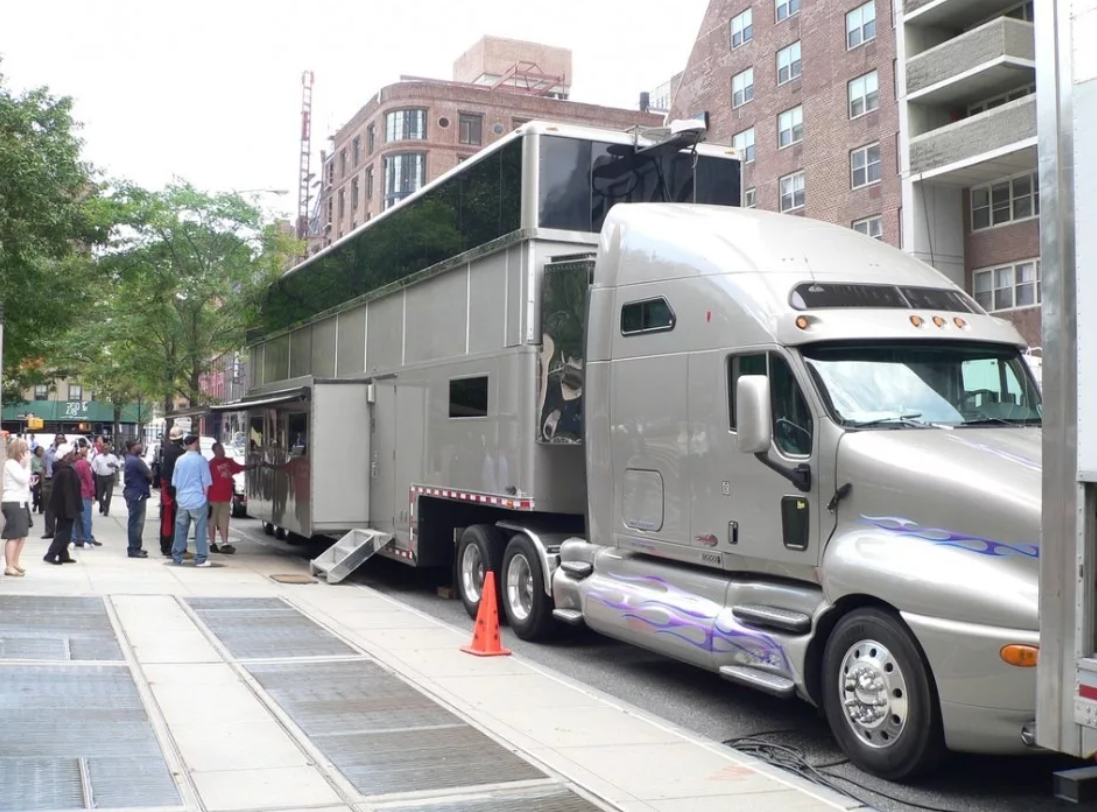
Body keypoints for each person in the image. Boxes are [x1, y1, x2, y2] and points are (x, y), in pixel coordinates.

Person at [171, 435, 212, 567]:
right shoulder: (201, 460)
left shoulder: (179, 460)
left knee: (180, 530)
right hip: (197, 500)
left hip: (182, 500)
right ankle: (201, 558)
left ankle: (177, 557)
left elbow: (175, 482)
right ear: (195, 443)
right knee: (200, 530)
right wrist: (205, 499)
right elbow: (206, 483)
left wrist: (178, 497)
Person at [207, 442, 250, 555]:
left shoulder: (229, 461)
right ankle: (212, 543)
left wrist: (253, 465)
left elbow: (240, 467)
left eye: (222, 448)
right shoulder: (211, 464)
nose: (222, 450)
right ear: (214, 451)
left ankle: (225, 543)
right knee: (212, 521)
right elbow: (206, 481)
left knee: (224, 522)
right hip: (213, 498)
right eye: (219, 449)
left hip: (225, 498)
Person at [43, 443, 79, 565]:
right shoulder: (66, 471)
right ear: (66, 456)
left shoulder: (60, 469)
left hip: (61, 505)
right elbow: (68, 492)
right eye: (71, 454)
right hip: (66, 506)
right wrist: (71, 509)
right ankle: (51, 554)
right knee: (64, 532)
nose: (73, 456)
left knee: (62, 529)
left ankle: (63, 554)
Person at [3, 438, 33, 576]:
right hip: (13, 502)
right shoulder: (11, 464)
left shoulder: (17, 465)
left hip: (21, 501)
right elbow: (22, 479)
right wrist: (27, 466)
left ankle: (15, 562)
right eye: (25, 449)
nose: (28, 452)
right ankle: (9, 566)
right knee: (14, 535)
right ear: (19, 451)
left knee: (22, 534)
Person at [122, 439, 152, 559]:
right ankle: (134, 549)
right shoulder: (136, 461)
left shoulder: (130, 459)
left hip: (133, 492)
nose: (141, 446)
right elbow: (149, 474)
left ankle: (136, 547)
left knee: (136, 522)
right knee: (136, 522)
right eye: (138, 444)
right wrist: (150, 480)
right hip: (137, 493)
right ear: (132, 447)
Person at [159, 427, 186, 557]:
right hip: (175, 487)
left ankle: (165, 545)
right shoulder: (181, 453)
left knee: (166, 517)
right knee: (176, 518)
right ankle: (171, 545)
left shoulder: (165, 450)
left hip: (166, 486)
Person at [72, 441, 99, 548]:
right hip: (84, 493)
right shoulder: (85, 464)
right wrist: (93, 494)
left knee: (74, 519)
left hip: (74, 493)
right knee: (86, 519)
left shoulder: (72, 464)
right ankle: (87, 540)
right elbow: (89, 480)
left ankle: (73, 539)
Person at [41, 433, 65, 537]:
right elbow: (44, 468)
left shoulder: (67, 452)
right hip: (50, 480)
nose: (60, 440)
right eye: (58, 438)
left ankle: (61, 530)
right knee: (49, 507)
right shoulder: (47, 453)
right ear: (55, 440)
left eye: (62, 438)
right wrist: (43, 483)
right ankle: (49, 531)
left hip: (63, 481)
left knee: (62, 507)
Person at [92, 441, 120, 516]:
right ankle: (102, 505)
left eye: (107, 448)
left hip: (109, 477)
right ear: (102, 449)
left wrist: (114, 465)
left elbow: (118, 464)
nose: (105, 450)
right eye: (104, 448)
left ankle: (106, 509)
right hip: (100, 477)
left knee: (109, 494)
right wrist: (97, 471)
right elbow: (93, 466)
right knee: (100, 495)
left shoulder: (113, 457)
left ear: (109, 449)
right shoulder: (98, 457)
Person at [30, 446, 44, 513]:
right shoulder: (32, 459)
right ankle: (35, 503)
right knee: (35, 492)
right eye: (39, 450)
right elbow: (30, 468)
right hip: (35, 475)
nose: (41, 452)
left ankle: (41, 507)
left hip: (43, 476)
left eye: (42, 450)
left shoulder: (44, 458)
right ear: (36, 451)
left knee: (42, 492)